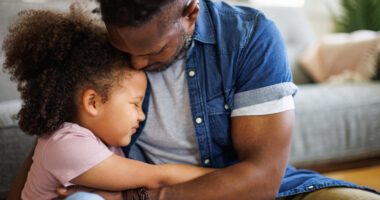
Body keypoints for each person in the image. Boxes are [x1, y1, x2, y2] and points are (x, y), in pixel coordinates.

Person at [7, 0, 380, 200]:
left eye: (154, 50)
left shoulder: (249, 37)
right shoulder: (98, 50)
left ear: (190, 13)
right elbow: (59, 131)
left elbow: (261, 183)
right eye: (123, 48)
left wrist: (142, 198)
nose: (135, 62)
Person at [2, 8, 214, 200]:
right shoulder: (66, 146)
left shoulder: (100, 140)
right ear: (93, 102)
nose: (142, 116)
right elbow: (159, 177)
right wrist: (230, 178)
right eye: (136, 103)